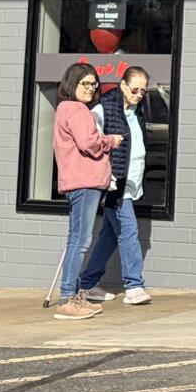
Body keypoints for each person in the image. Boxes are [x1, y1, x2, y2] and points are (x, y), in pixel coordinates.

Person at [75, 63, 154, 306]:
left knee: (110, 235)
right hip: (113, 185)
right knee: (129, 231)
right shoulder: (103, 109)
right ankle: (133, 286)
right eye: (135, 89)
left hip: (131, 184)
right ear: (123, 85)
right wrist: (104, 176)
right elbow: (92, 144)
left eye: (143, 91)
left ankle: (87, 284)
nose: (139, 94)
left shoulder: (137, 111)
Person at [48, 64, 122, 320]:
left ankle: (74, 295)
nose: (91, 89)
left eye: (94, 84)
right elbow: (89, 143)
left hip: (80, 182)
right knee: (79, 242)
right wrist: (111, 140)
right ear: (72, 84)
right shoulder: (77, 110)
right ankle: (68, 299)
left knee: (78, 240)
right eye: (85, 84)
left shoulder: (66, 109)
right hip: (84, 183)